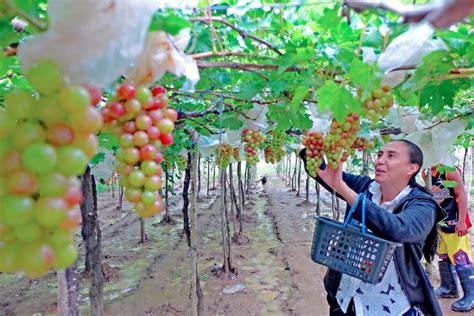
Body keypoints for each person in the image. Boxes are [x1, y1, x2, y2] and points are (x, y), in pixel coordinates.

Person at [300, 139, 445, 316]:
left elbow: (398, 229)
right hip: (346, 299)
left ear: (412, 168)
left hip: (390, 305)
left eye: (391, 156)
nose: (380, 160)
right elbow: (323, 173)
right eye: (379, 154)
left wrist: (343, 189)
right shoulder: (366, 187)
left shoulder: (423, 205)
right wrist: (313, 143)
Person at [426, 164, 473, 312]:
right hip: (441, 222)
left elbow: (461, 195)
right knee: (443, 256)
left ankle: (471, 296)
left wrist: (461, 222)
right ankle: (449, 288)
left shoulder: (449, 170)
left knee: (460, 257)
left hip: (455, 221)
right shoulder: (426, 172)